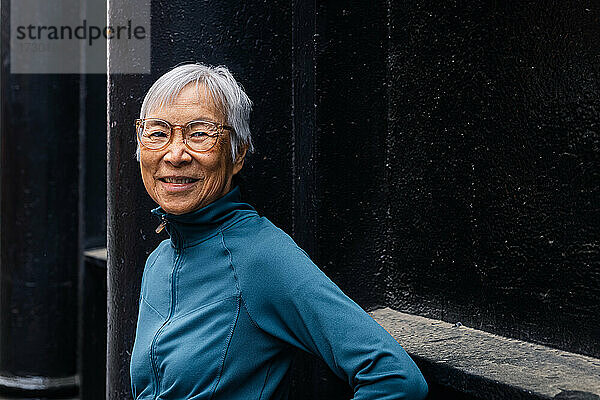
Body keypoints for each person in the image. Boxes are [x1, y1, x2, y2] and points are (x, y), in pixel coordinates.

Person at [129, 63, 428, 400]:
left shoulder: (261, 255)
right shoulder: (160, 260)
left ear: (238, 154)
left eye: (200, 133)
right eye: (157, 133)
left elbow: (394, 379)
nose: (175, 153)